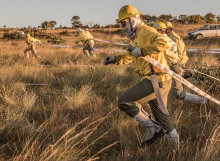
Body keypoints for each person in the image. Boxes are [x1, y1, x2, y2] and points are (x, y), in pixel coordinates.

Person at [104, 5, 179, 146]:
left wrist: (144, 51)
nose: (122, 26)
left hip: (156, 80)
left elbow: (163, 42)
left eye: (124, 23)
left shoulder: (146, 31)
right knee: (162, 116)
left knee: (124, 101)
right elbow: (132, 55)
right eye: (121, 24)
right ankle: (176, 149)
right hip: (158, 79)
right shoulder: (135, 36)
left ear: (133, 20)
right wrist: (115, 59)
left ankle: (154, 128)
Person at [165, 22, 208, 105]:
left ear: (169, 29)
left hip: (178, 63)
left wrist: (178, 64)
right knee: (174, 84)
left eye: (164, 30)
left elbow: (179, 51)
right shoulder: (169, 36)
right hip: (174, 63)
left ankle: (202, 101)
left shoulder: (173, 37)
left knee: (177, 87)